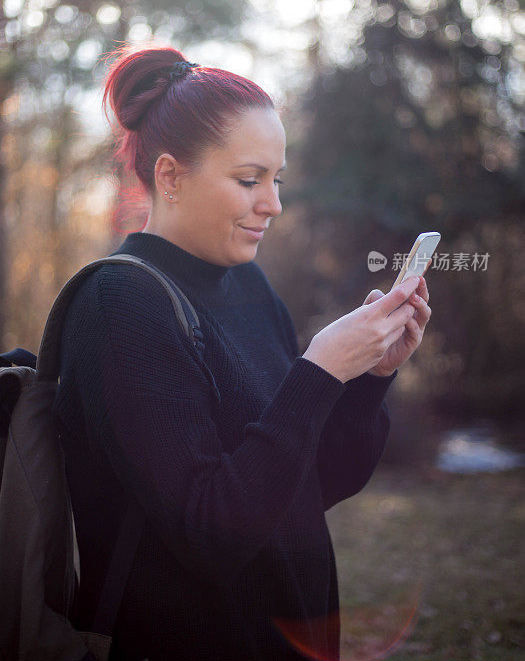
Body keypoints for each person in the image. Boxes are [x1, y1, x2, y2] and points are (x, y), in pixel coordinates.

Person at [53, 44, 431, 661]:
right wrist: (320, 369)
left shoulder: (248, 285)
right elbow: (210, 533)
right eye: (248, 180)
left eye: (276, 180)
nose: (273, 204)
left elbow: (313, 484)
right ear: (170, 177)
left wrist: (366, 378)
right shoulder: (119, 305)